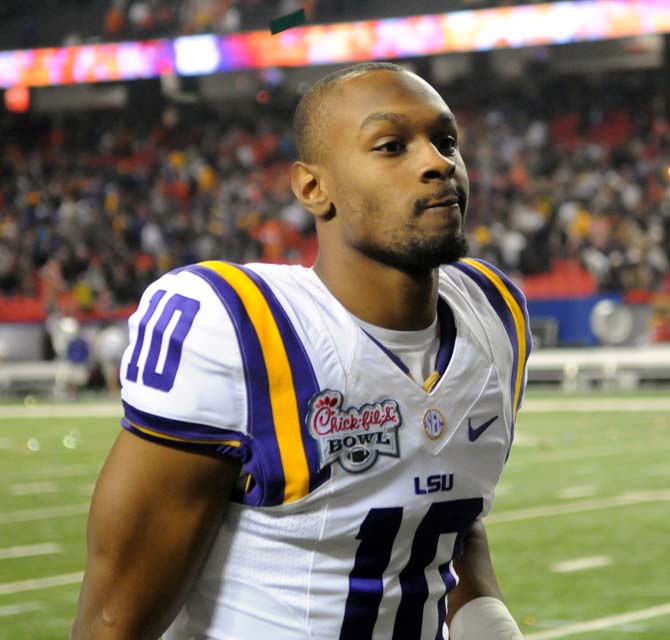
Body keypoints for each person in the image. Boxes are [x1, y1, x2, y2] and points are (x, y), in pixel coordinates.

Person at [71, 61, 530, 640]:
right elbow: (115, 618)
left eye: (445, 141)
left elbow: (446, 520)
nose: (438, 163)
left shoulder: (493, 315)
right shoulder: (241, 327)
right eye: (391, 146)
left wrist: (492, 627)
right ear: (315, 188)